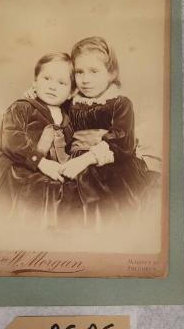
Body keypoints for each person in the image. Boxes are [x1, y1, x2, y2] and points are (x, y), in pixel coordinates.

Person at [59, 36, 149, 227]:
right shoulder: (70, 103)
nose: (85, 80)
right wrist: (36, 95)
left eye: (94, 71)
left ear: (111, 73)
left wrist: (85, 160)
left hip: (110, 163)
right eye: (79, 72)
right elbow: (50, 117)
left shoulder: (120, 103)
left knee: (107, 202)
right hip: (74, 160)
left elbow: (122, 140)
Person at [0, 52, 78, 228]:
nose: (53, 86)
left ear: (71, 92)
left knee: (74, 189)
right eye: (47, 79)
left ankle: (62, 233)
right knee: (40, 188)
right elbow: (12, 139)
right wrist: (41, 163)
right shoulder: (22, 107)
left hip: (50, 168)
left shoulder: (67, 119)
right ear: (35, 82)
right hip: (20, 165)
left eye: (61, 83)